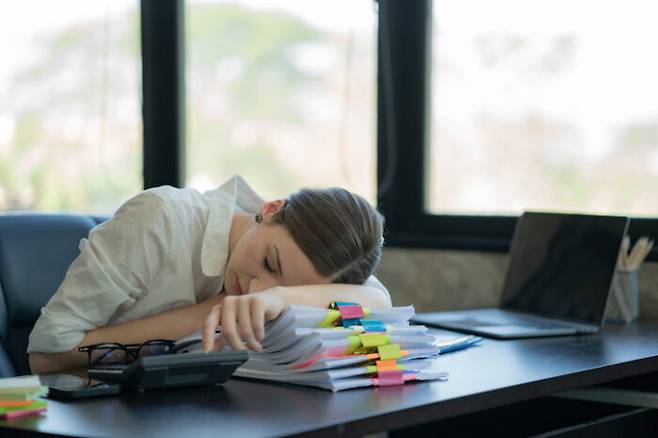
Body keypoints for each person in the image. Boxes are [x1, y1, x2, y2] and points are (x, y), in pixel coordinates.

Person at [28, 176, 391, 373]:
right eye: (270, 263)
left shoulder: (307, 270)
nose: (255, 289)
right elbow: (46, 353)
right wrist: (210, 312)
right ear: (270, 208)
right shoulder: (162, 220)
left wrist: (279, 297)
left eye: (290, 288)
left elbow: (380, 302)